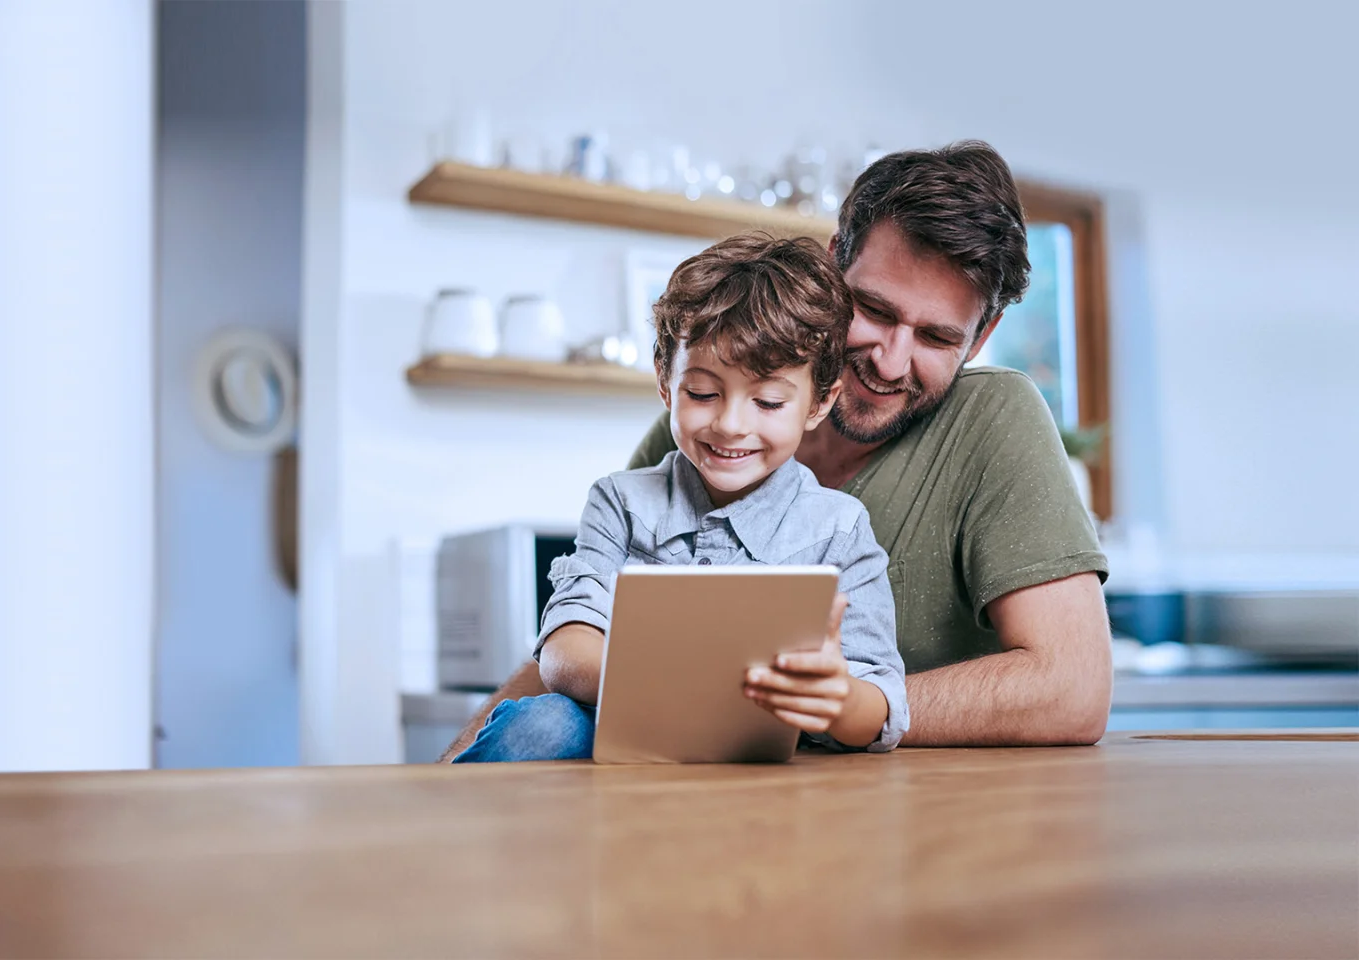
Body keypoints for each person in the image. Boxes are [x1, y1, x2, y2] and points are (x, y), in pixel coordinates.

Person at [442, 140, 1110, 760]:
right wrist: (443, 776)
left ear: (982, 334)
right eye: (873, 309)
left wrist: (819, 706)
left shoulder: (992, 419)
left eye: (936, 337)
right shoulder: (697, 439)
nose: (889, 358)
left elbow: (1072, 690)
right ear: (829, 269)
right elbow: (583, 630)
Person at [454, 234, 907, 762]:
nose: (730, 424)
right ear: (666, 384)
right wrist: (688, 682)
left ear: (818, 403)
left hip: (770, 767)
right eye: (703, 394)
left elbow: (880, 707)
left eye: (767, 401)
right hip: (623, 744)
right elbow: (563, 651)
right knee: (544, 724)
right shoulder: (620, 503)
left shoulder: (839, 529)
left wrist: (839, 699)